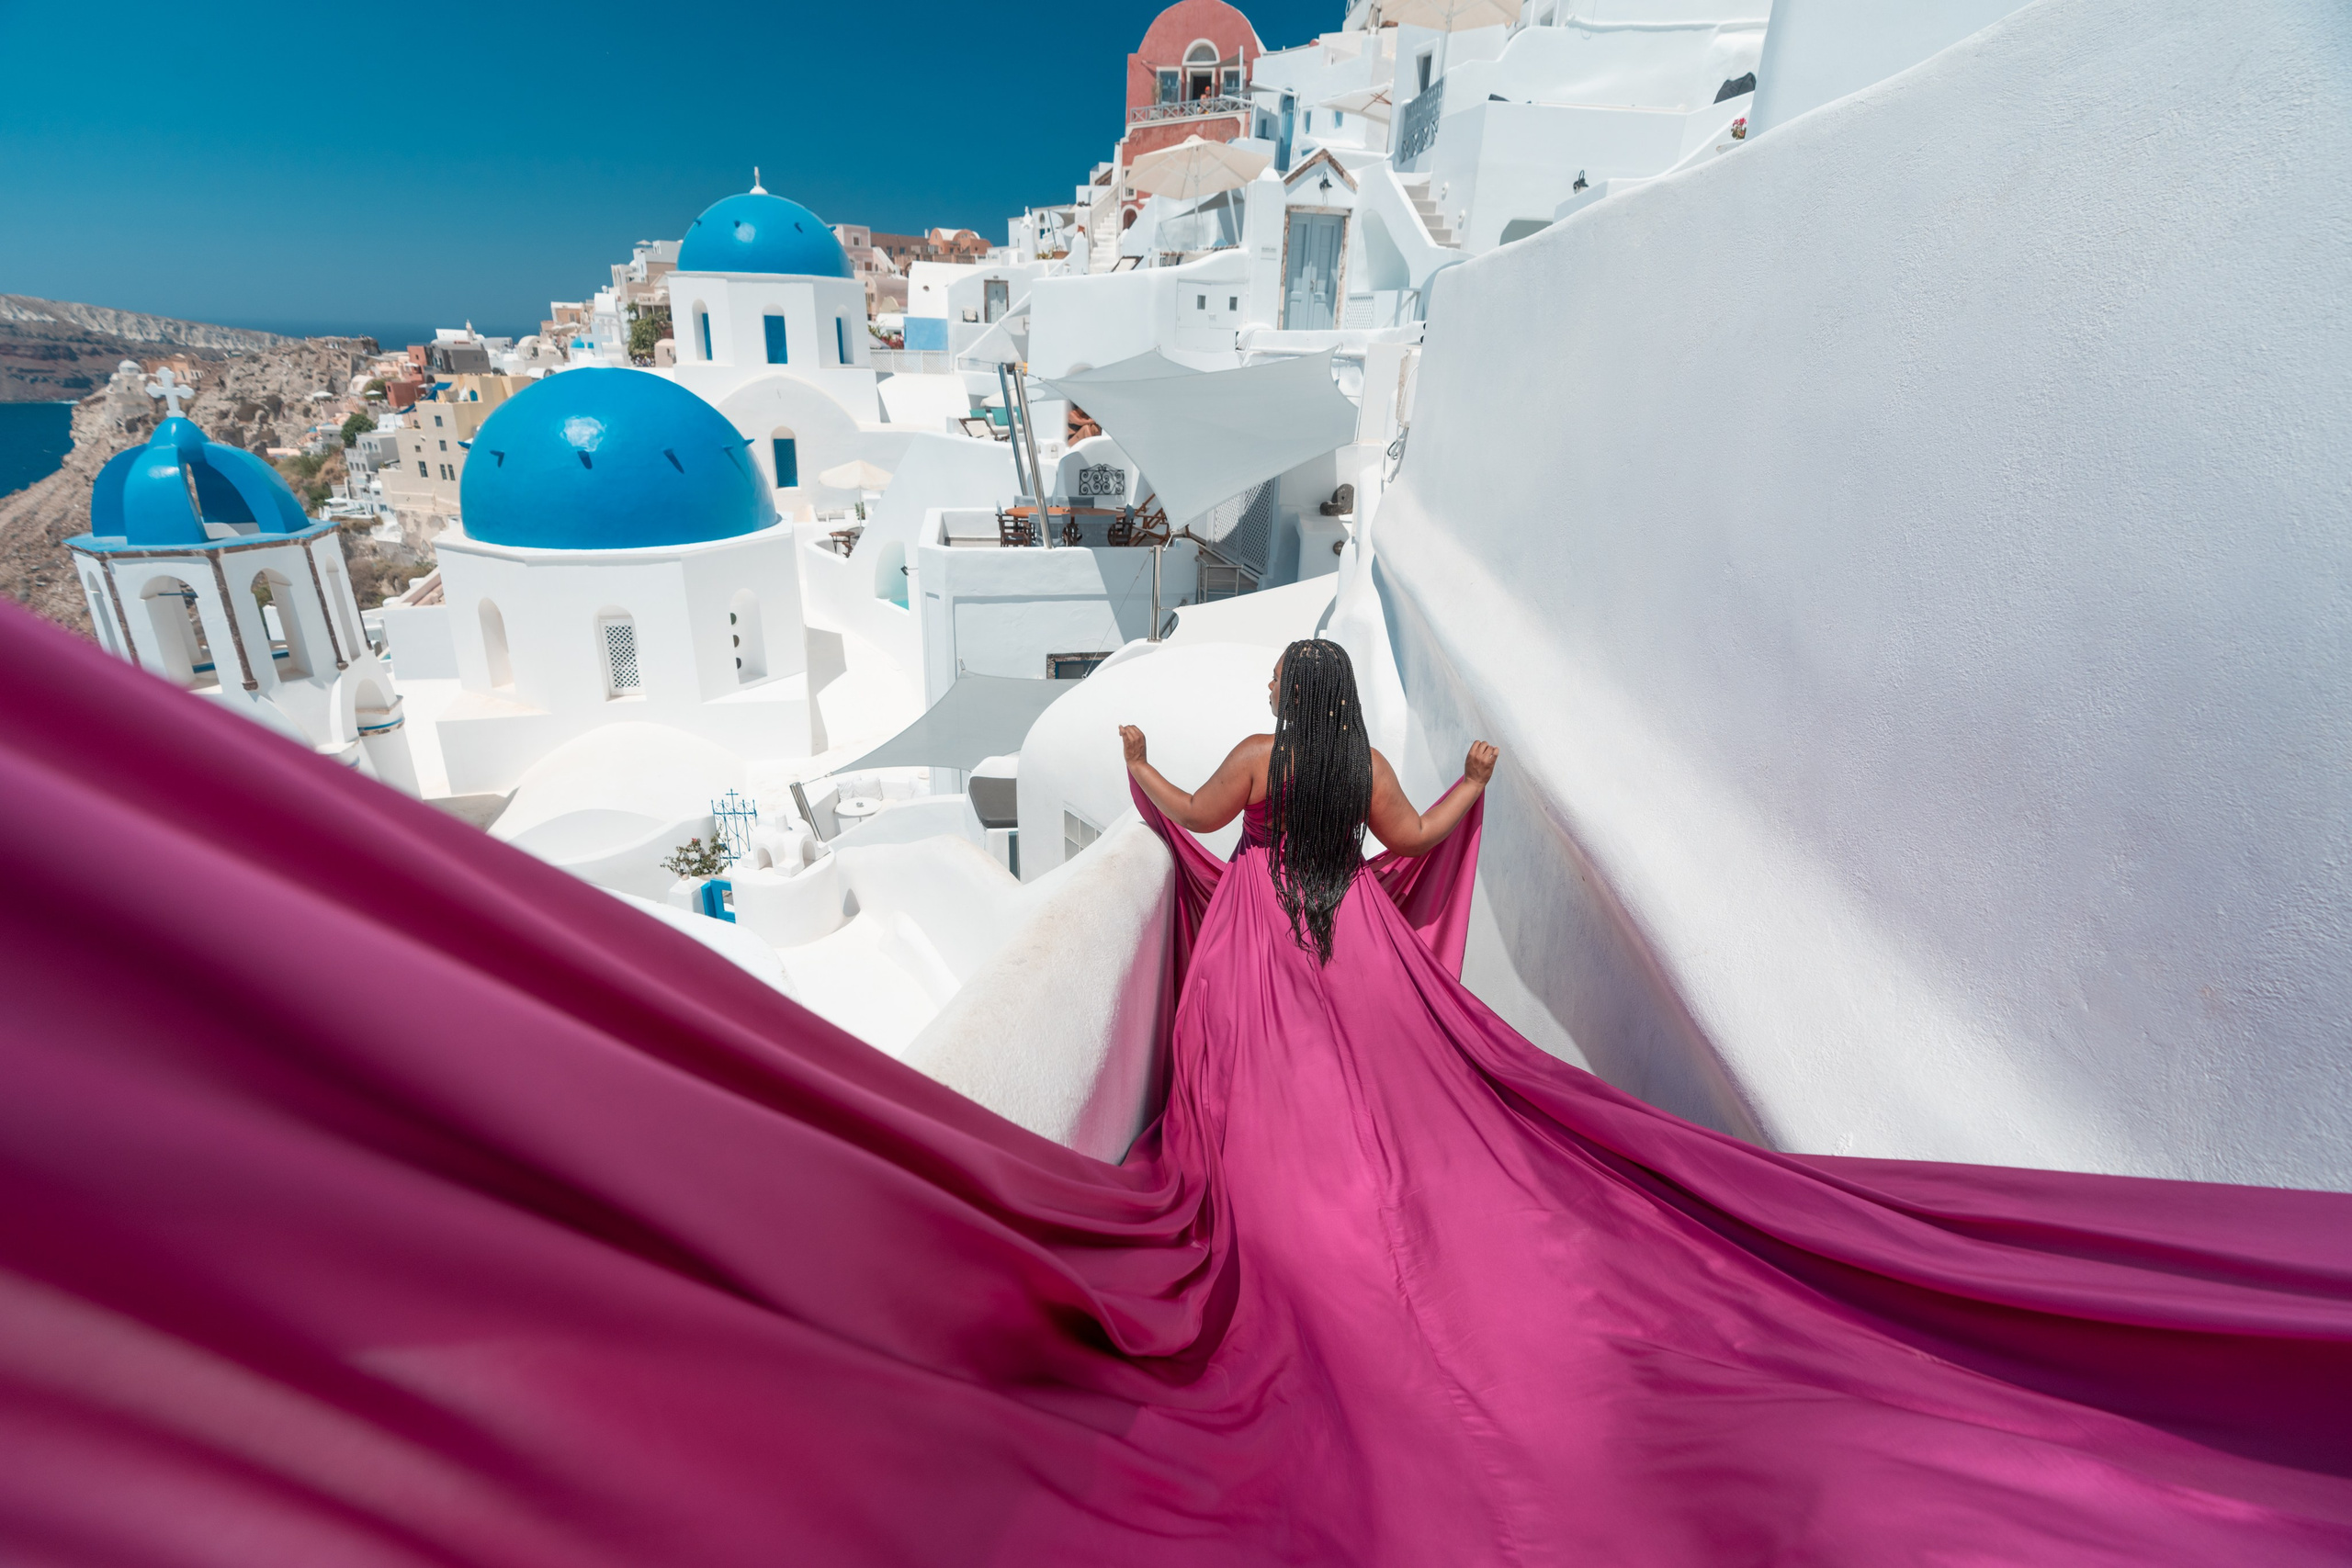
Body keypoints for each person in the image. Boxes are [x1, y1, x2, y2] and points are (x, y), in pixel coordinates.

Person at [3, 605, 2349, 1568]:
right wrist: (1495, 762)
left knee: (1249, 1216)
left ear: (1281, 717)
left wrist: (1137, 758)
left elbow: (1165, 810)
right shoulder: (1368, 774)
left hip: (1260, 971)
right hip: (1365, 977)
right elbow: (1433, 840)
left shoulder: (1253, 776)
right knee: (1454, 1186)